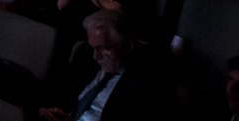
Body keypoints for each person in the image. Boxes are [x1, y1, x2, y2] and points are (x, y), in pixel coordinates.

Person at [37, 10, 169, 121]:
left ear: (128, 46)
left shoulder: (147, 83)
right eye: (93, 47)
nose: (95, 56)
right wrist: (45, 110)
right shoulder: (85, 54)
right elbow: (59, 90)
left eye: (103, 48)